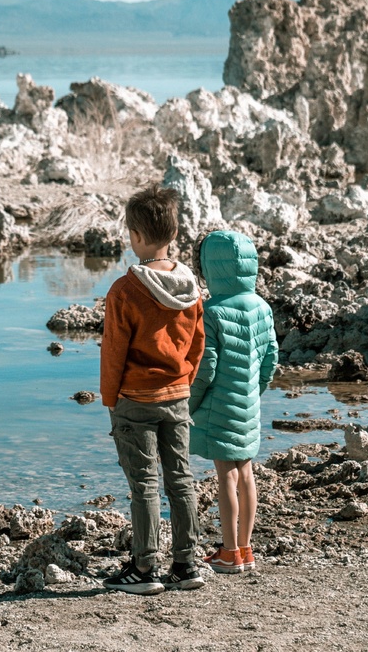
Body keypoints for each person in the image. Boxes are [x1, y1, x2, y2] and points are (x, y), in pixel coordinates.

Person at [100, 185, 206, 594]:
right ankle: (186, 564)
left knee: (143, 483)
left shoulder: (125, 291)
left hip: (135, 400)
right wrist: (184, 381)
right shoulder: (190, 288)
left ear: (136, 237)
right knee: (180, 478)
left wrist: (111, 399)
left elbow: (113, 353)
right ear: (174, 234)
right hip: (177, 395)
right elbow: (198, 342)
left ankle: (144, 569)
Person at [188, 229, 277, 574]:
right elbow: (270, 359)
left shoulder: (210, 311)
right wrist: (255, 393)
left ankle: (227, 552)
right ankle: (245, 548)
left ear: (210, 268)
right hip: (248, 403)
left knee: (225, 474)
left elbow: (205, 367)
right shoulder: (262, 307)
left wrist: (189, 405)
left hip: (217, 407)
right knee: (246, 473)